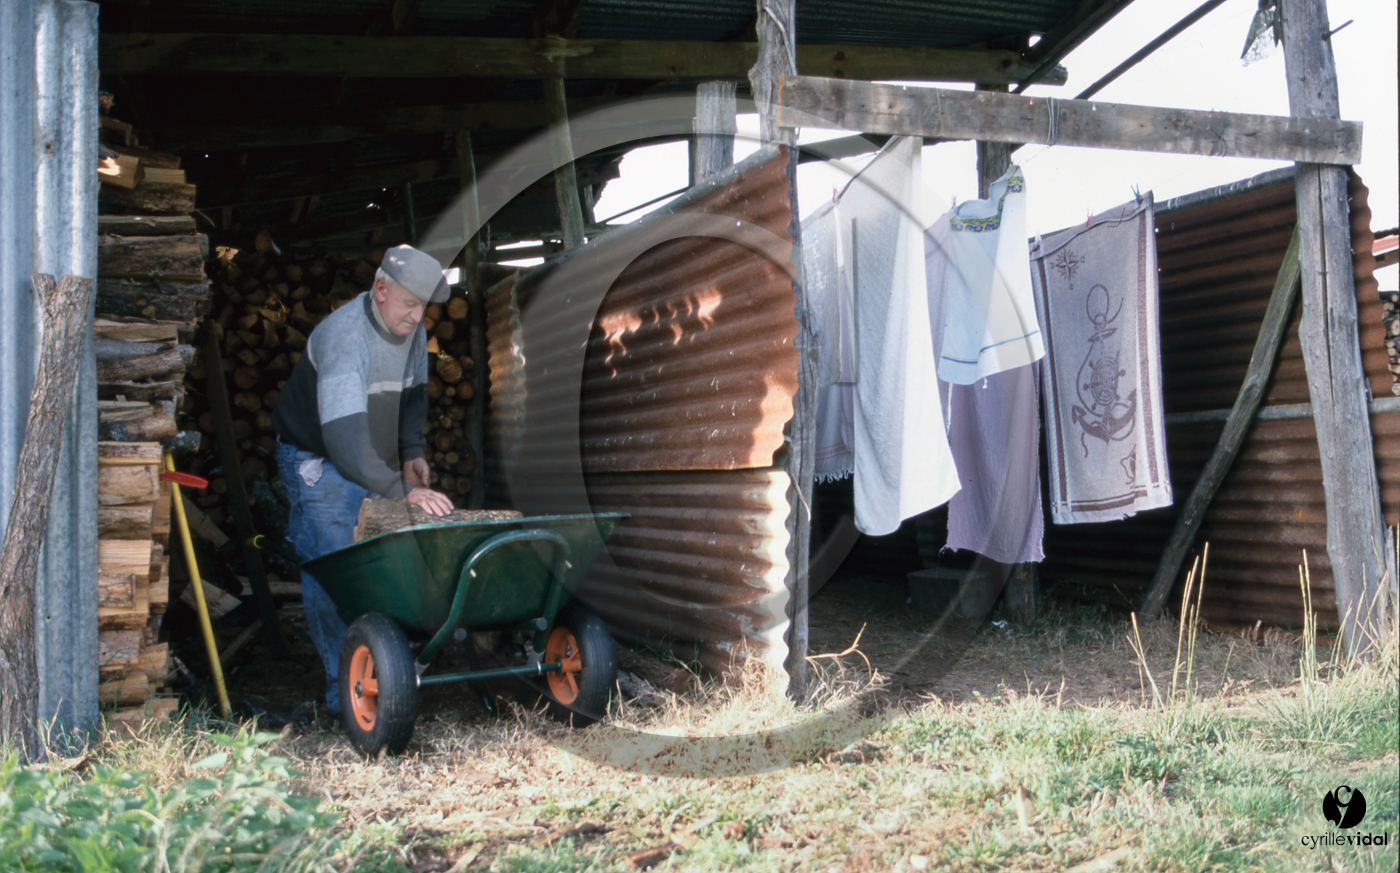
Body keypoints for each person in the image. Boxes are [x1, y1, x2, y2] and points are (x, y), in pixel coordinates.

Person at [272, 244, 455, 715]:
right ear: (380, 290)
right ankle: (345, 697)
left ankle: (381, 671)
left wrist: (412, 452)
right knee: (335, 566)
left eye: (424, 307)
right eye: (410, 303)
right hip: (318, 455)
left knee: (377, 563)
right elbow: (345, 443)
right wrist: (403, 490)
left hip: (365, 452)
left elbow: (413, 396)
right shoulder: (345, 337)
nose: (417, 317)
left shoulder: (411, 332)